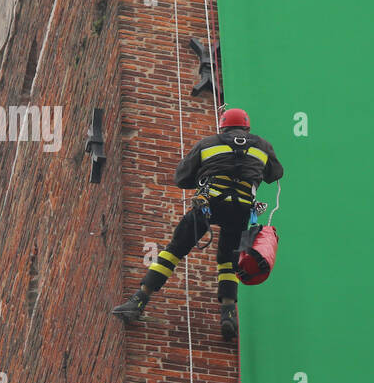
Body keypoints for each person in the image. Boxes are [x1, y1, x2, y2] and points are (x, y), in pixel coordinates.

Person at [112, 106, 283, 340]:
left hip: (209, 205)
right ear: (247, 127)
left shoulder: (208, 143)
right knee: (227, 261)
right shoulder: (263, 146)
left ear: (222, 126)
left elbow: (182, 178)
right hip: (241, 210)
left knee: (174, 251)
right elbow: (275, 174)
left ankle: (139, 300)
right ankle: (228, 315)